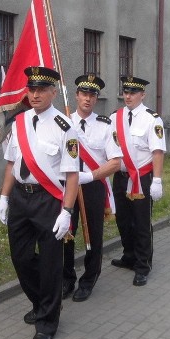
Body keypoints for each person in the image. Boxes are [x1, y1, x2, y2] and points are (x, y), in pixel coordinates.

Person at [0, 66, 80, 339]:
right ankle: (41, 300)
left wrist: (67, 212)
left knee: (50, 263)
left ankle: (47, 321)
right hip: (21, 197)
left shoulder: (65, 128)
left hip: (49, 199)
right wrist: (4, 198)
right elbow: (11, 164)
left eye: (41, 90)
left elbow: (71, 176)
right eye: (31, 89)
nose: (34, 94)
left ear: (53, 93)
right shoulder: (19, 122)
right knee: (20, 258)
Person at [63, 74, 124, 302]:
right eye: (84, 94)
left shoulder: (105, 126)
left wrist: (89, 176)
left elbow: (115, 162)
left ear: (96, 98)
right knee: (66, 233)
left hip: (92, 186)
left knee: (93, 235)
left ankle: (89, 279)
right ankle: (66, 278)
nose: (87, 99)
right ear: (77, 95)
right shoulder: (64, 122)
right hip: (66, 187)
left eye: (92, 95)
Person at [110, 76, 166, 286]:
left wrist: (157, 180)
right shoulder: (115, 117)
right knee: (123, 221)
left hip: (142, 178)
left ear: (143, 94)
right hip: (121, 177)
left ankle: (143, 265)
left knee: (141, 224)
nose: (128, 96)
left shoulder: (152, 119)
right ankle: (129, 256)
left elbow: (158, 152)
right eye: (125, 92)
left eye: (133, 92)